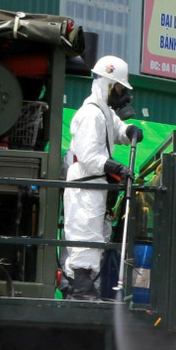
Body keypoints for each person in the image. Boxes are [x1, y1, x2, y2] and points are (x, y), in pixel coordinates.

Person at [62, 55, 143, 300]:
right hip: (85, 182)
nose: (121, 94)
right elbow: (88, 156)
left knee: (96, 233)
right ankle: (81, 291)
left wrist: (128, 131)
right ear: (107, 84)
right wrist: (116, 168)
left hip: (95, 184)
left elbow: (116, 129)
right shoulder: (91, 114)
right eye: (119, 88)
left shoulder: (104, 112)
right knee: (84, 233)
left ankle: (86, 288)